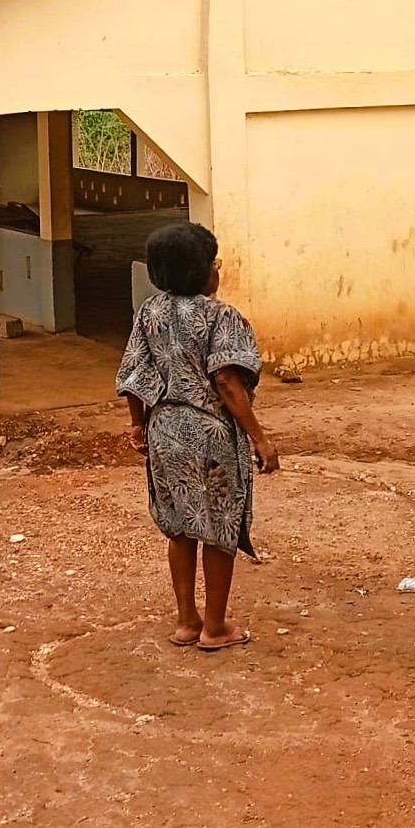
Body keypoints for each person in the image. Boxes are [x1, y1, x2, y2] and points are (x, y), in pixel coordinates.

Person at [116, 220, 279, 651]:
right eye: (214, 262)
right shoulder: (221, 316)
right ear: (201, 270)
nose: (217, 270)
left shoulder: (149, 312)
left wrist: (138, 425)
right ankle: (215, 627)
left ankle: (187, 621)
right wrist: (259, 438)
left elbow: (133, 376)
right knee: (219, 529)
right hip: (211, 436)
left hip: (164, 431)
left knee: (181, 527)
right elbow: (227, 382)